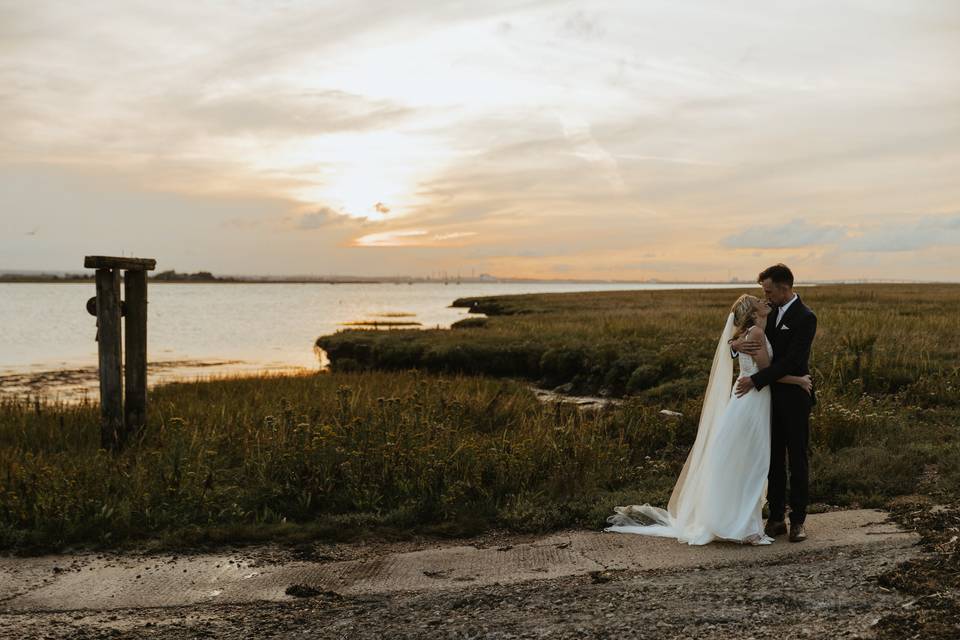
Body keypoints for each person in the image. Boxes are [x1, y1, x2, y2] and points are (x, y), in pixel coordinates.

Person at [604, 293, 811, 545]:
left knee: (748, 461)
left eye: (765, 293)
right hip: (753, 401)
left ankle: (741, 520)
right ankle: (743, 524)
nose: (763, 298)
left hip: (750, 401)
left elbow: (755, 357)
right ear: (752, 311)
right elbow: (767, 371)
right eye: (758, 298)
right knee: (753, 463)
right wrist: (798, 379)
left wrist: (734, 345)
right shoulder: (756, 333)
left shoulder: (759, 329)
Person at [732, 264, 817, 543]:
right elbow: (742, 333)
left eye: (768, 290)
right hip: (768, 400)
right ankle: (777, 517)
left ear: (784, 288)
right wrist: (736, 346)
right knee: (773, 459)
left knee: (798, 458)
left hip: (793, 400)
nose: (765, 295)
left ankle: (799, 521)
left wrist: (756, 381)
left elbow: (792, 361)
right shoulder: (765, 312)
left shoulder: (806, 317)